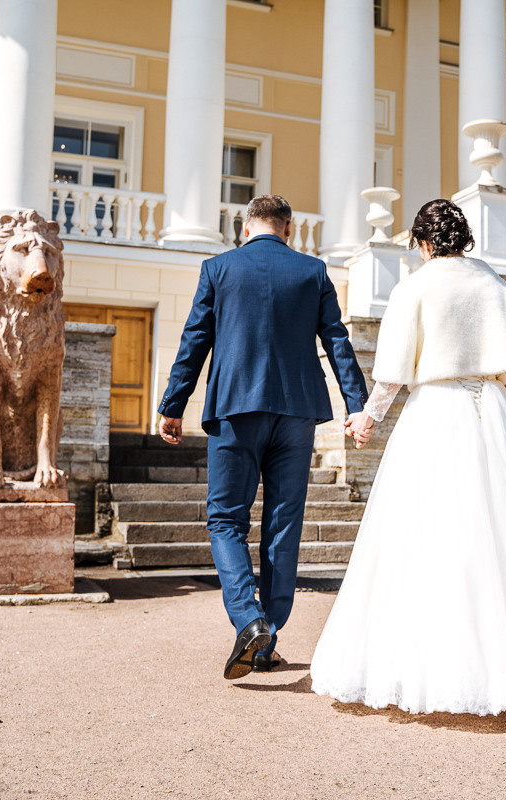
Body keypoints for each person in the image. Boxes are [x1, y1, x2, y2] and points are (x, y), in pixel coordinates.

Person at [311, 199, 506, 721]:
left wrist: (367, 417)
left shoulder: (417, 288)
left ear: (425, 243)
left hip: (437, 410)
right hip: (492, 409)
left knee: (424, 532)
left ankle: (429, 665)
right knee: (505, 535)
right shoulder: (497, 287)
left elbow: (393, 370)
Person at [157, 195, 368, 680]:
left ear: (244, 228)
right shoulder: (313, 271)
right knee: (283, 522)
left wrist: (173, 405)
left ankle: (249, 620)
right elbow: (337, 340)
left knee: (226, 519)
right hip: (296, 413)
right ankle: (267, 634)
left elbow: (195, 340)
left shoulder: (219, 268)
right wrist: (356, 406)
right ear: (288, 229)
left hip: (234, 410)